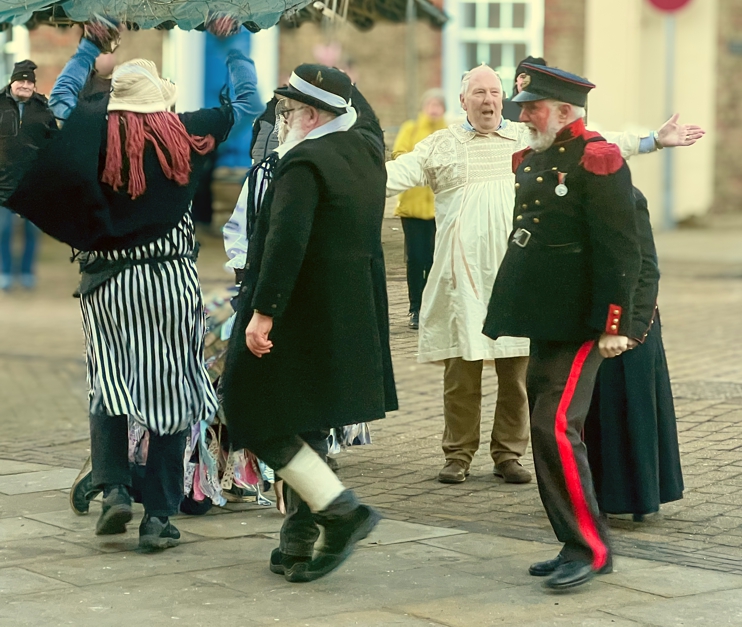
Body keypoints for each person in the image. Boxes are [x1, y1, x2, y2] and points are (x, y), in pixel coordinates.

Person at [9, 20, 262, 551]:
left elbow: (59, 101)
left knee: (109, 383)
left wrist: (88, 49)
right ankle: (159, 518)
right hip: (166, 281)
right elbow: (247, 105)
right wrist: (233, 45)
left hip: (104, 285)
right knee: (172, 392)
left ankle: (115, 491)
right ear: (159, 102)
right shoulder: (184, 132)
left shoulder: (87, 133)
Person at [385, 63, 700, 486]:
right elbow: (395, 174)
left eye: (494, 93)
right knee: (461, 374)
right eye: (478, 93)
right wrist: (346, 176)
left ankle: (508, 453)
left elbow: (599, 143)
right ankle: (458, 453)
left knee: (516, 374)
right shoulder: (440, 145)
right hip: (460, 280)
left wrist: (653, 140)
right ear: (463, 101)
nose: (489, 100)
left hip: (517, 280)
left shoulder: (529, 138)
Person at [482, 63, 700, 590]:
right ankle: (575, 541)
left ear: (564, 110)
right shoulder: (536, 158)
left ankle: (591, 547)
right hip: (547, 318)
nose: (523, 116)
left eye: (533, 108)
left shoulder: (597, 158)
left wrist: (616, 323)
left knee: (554, 425)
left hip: (583, 322)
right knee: (546, 427)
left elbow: (621, 250)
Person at [220, 64, 397, 583]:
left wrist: (263, 313)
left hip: (295, 310)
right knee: (307, 420)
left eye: (290, 110)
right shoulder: (366, 152)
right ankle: (298, 541)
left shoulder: (302, 162)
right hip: (345, 312)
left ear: (313, 115)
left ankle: (341, 511)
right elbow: (361, 113)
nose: (284, 119)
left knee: (248, 409)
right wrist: (338, 82)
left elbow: (285, 243)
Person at [585, 187, 684, 521]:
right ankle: (594, 493)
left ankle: (639, 497)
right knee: (593, 411)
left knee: (632, 409)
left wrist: (628, 329)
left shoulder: (627, 197)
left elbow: (645, 269)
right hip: (588, 322)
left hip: (630, 322)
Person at [0, 60, 58, 291]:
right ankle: (5, 271)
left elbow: (53, 142)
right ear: (12, 82)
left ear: (34, 85)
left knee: (31, 231)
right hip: (3, 182)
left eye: (29, 82)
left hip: (33, 183)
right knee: (3, 230)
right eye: (21, 81)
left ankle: (26, 272)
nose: (25, 85)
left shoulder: (43, 108)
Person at [392, 89, 447, 329]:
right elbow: (399, 154)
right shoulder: (411, 129)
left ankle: (433, 308)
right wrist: (421, 165)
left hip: (440, 208)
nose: (434, 109)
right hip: (413, 208)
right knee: (415, 259)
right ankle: (415, 308)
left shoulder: (448, 132)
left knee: (436, 259)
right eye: (430, 104)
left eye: (438, 105)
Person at [502, 55, 546, 122]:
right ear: (516, 81)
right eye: (523, 76)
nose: (526, 81)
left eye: (532, 77)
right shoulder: (503, 109)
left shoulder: (547, 109)